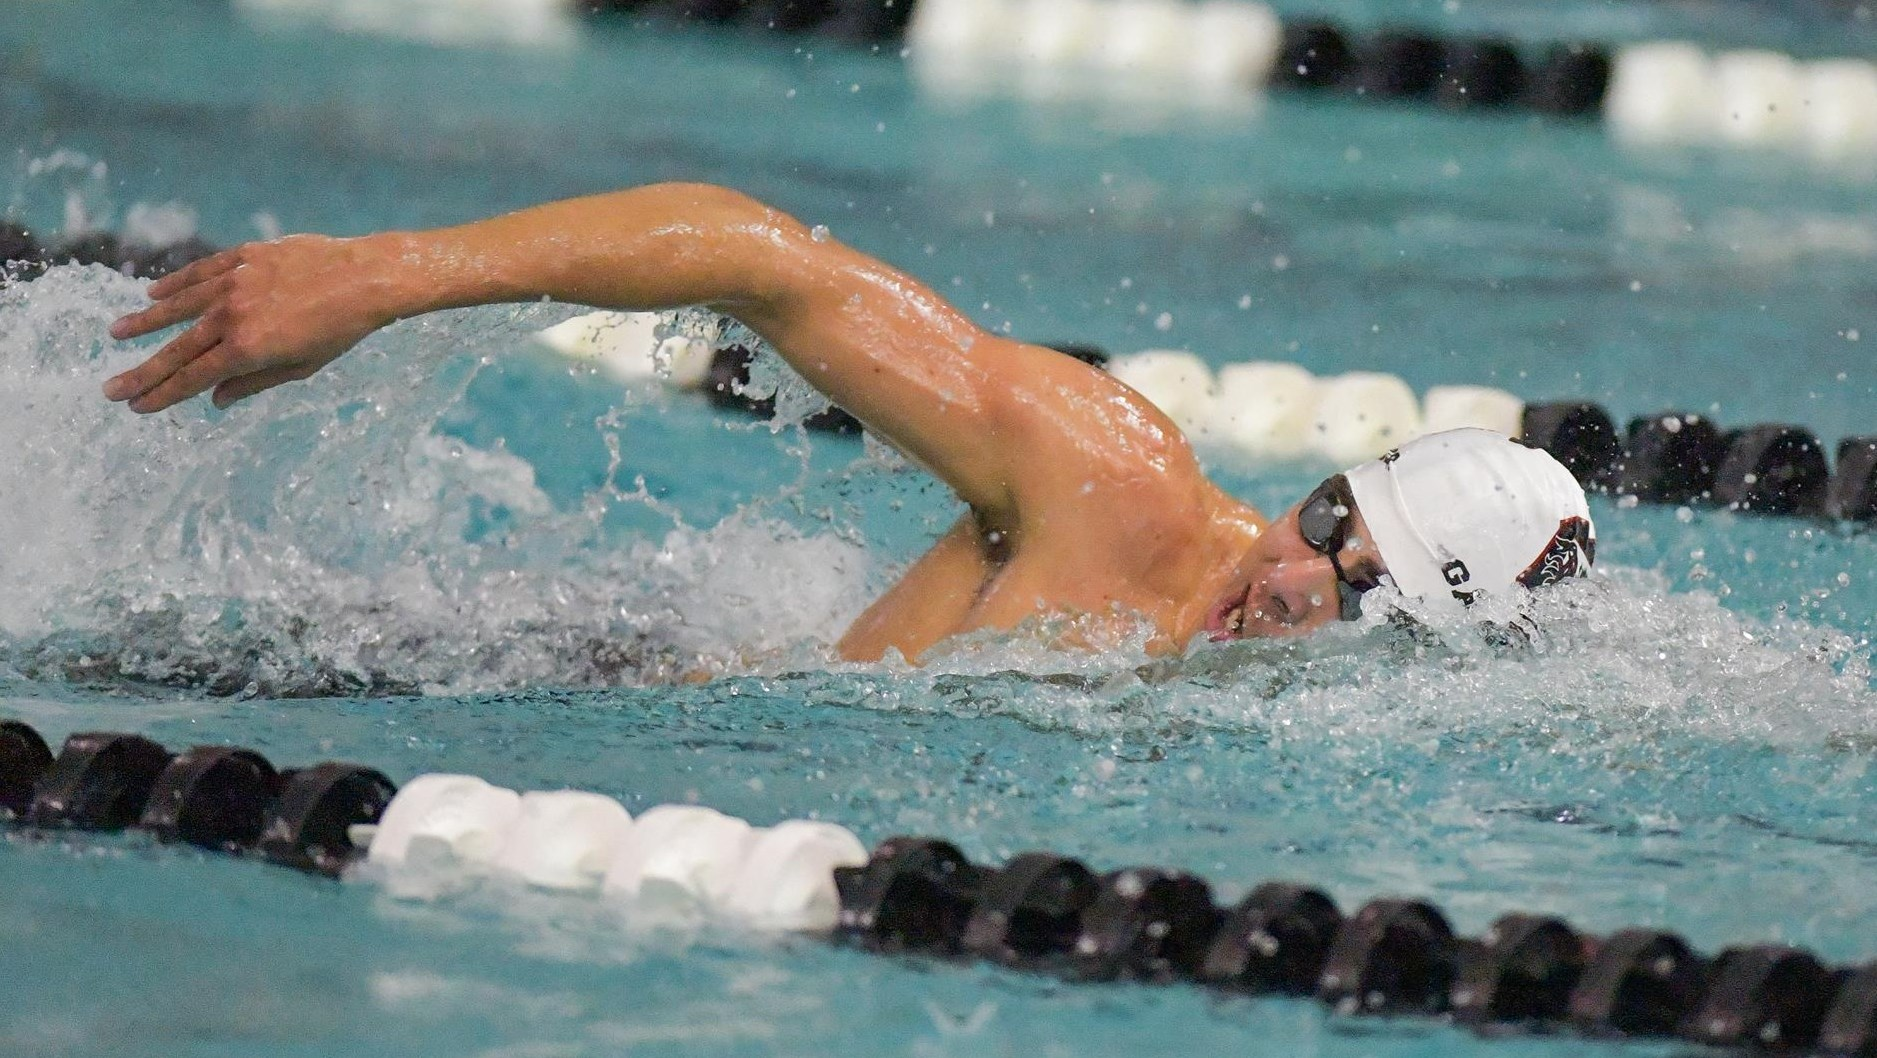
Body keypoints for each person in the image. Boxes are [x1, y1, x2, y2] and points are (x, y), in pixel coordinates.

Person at [103, 182, 1596, 663]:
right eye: (1326, 515)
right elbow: (766, 262)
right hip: (557, 685)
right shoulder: (1112, 480)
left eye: (1358, 585)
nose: (1291, 573)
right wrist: (377, 276)